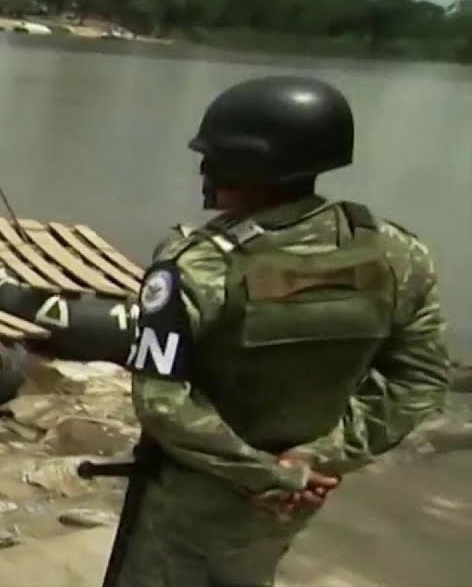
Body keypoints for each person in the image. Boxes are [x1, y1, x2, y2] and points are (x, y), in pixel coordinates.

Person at [118, 75, 451, 587]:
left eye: (217, 157)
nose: (204, 169)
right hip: (303, 493)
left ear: (255, 164)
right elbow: (420, 380)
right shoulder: (396, 255)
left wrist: (264, 474)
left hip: (197, 497)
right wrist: (317, 458)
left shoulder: (197, 265)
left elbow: (161, 401)